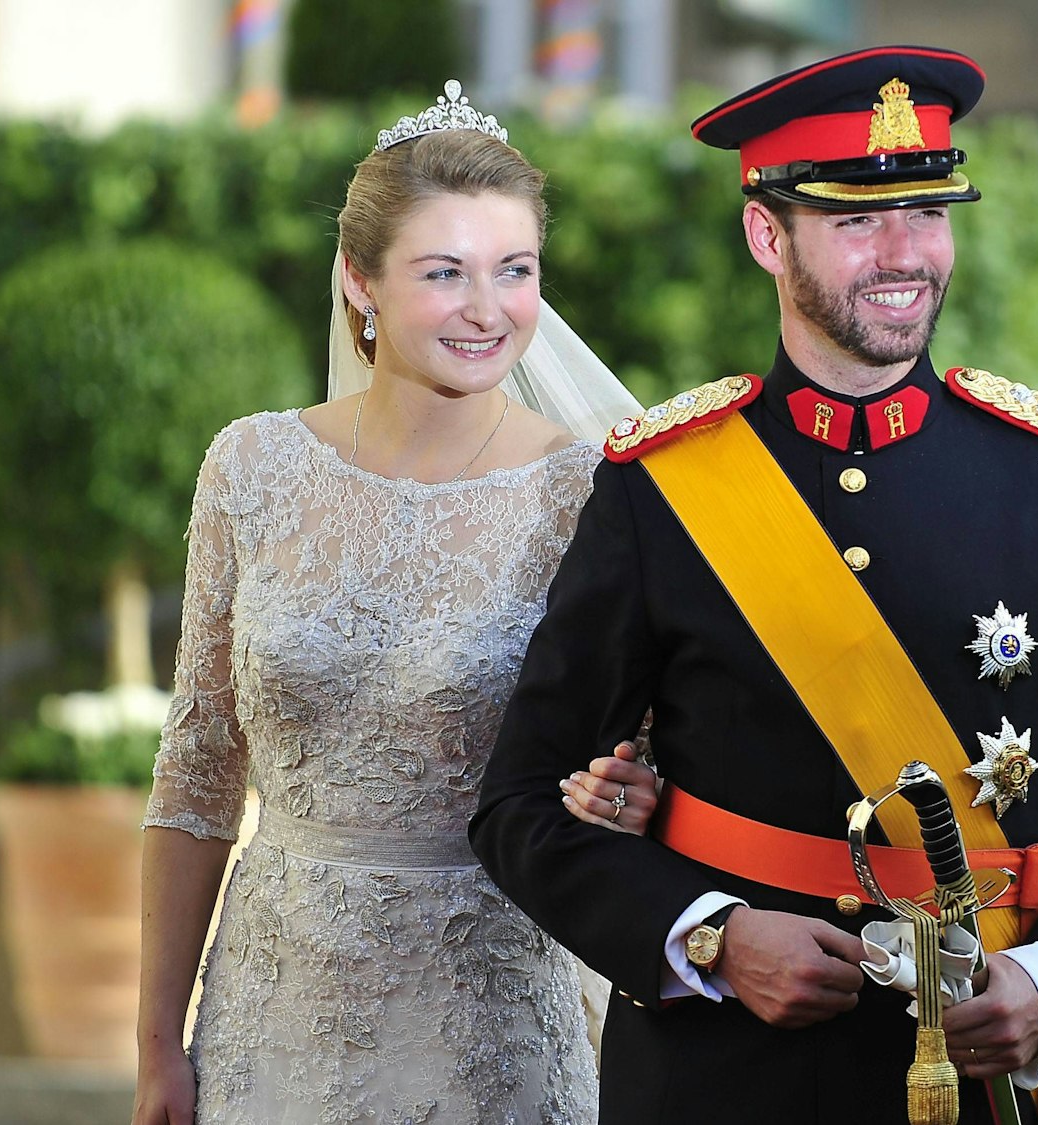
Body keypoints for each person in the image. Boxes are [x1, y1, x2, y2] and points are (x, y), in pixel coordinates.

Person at [471, 46, 1038, 1124]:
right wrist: (711, 937)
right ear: (767, 235)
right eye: (857, 221)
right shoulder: (662, 487)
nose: (903, 253)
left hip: (976, 1078)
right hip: (717, 1076)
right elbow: (518, 803)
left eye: (926, 212)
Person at [132, 82, 659, 1125]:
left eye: (514, 272)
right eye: (443, 273)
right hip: (266, 1017)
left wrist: (632, 795)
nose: (487, 309)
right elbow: (196, 775)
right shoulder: (252, 465)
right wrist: (157, 1048)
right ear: (359, 281)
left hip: (487, 1022)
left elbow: (651, 758)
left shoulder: (595, 490)